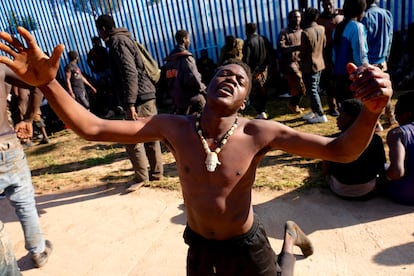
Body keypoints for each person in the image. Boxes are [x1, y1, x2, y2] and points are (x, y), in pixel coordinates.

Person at [0, 27, 392, 275]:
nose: (231, 79)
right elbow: (93, 127)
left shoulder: (259, 132)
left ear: (243, 101)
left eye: (240, 80)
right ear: (208, 85)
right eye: (224, 73)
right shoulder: (174, 127)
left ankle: (288, 239)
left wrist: (371, 113)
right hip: (199, 245)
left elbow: (340, 151)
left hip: (246, 243)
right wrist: (49, 84)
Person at [95, 15, 164, 192]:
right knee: (150, 136)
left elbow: (129, 73)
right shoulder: (125, 37)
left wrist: (130, 103)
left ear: (102, 29)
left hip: (138, 97)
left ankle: (142, 177)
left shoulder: (117, 42)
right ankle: (156, 174)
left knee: (132, 138)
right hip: (146, 93)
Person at [0, 63, 53, 268]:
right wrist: (29, 118)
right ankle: (38, 251)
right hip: (6, 144)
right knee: (24, 202)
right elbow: (38, 84)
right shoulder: (1, 65)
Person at [323, 98, 386, 199]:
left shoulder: (333, 139)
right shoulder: (375, 139)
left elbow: (326, 169)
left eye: (341, 114)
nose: (337, 119)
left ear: (350, 118)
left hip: (340, 189)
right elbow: (381, 167)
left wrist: (326, 176)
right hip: (368, 189)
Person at [361, 0, 397, 132]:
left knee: (370, 94)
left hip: (370, 61)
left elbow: (363, 42)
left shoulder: (365, 16)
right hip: (382, 60)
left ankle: (376, 123)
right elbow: (390, 37)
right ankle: (391, 116)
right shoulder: (387, 14)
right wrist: (386, 56)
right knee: (384, 89)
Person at [332, 0, 368, 104]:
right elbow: (360, 55)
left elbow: (334, 57)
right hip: (353, 78)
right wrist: (366, 71)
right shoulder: (357, 27)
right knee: (356, 112)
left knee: (346, 112)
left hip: (339, 76)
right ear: (360, 11)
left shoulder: (338, 28)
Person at [164, 29, 207, 115]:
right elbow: (193, 78)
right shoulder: (185, 57)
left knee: (183, 119)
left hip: (177, 98)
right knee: (204, 106)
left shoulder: (170, 59)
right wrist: (204, 89)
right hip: (188, 97)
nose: (189, 41)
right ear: (184, 39)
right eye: (188, 39)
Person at [384, 92, 414, 205]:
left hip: (405, 195)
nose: (395, 118)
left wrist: (383, 179)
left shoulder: (398, 133)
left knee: (383, 168)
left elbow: (397, 172)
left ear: (406, 114)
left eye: (396, 114)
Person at [300, 8, 328, 124]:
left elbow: (303, 51)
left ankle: (320, 114)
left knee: (312, 90)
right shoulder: (322, 28)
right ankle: (314, 111)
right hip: (320, 63)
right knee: (315, 88)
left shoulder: (305, 32)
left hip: (309, 65)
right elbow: (325, 44)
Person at [317, 0, 344, 116]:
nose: (328, 6)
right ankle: (332, 106)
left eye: (330, 4)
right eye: (325, 4)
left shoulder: (341, 17)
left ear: (334, 4)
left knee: (341, 80)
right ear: (322, 5)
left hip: (341, 52)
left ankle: (341, 105)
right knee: (329, 81)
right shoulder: (319, 20)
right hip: (326, 53)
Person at [278, 10, 307, 115]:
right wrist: (295, 48)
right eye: (294, 17)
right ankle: (292, 104)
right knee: (300, 85)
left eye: (298, 17)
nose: (297, 19)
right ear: (290, 19)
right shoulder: (284, 32)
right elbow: (281, 48)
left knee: (301, 88)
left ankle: (295, 105)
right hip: (290, 64)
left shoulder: (302, 31)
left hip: (302, 63)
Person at [242, 22, 272, 120]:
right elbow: (270, 52)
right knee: (263, 90)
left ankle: (260, 111)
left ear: (247, 30)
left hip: (254, 71)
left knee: (254, 92)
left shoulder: (248, 42)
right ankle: (263, 110)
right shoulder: (263, 39)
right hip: (264, 70)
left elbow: (246, 59)